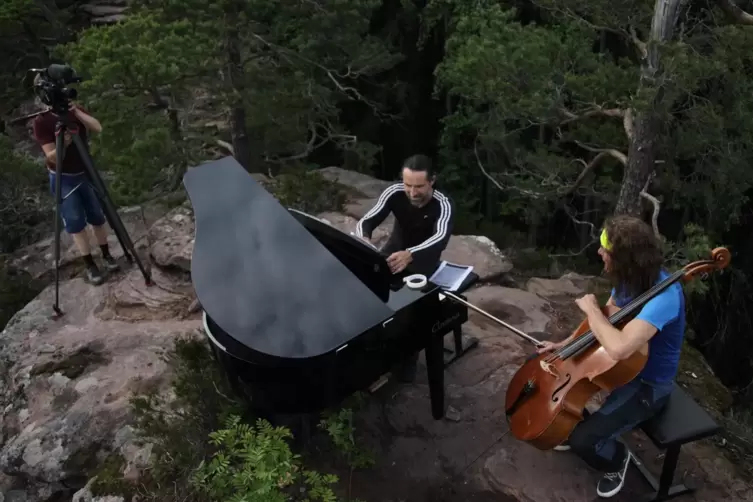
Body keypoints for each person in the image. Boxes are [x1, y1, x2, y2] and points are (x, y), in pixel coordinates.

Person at [537, 215, 684, 498]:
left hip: (648, 385)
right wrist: (565, 344)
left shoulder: (664, 299)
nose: (599, 252)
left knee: (583, 441)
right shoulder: (629, 280)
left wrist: (590, 309)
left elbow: (619, 348)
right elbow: (604, 325)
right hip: (622, 369)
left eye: (606, 250)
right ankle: (594, 426)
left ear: (626, 258)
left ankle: (617, 461)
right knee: (566, 401)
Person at [354, 154, 454, 382]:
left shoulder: (444, 203)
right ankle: (370, 349)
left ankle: (407, 360)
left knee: (410, 310)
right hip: (392, 252)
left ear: (432, 181)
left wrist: (411, 254)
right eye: (408, 185)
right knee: (366, 291)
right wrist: (364, 239)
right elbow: (366, 221)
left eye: (419, 186)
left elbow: (441, 237)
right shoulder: (394, 192)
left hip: (423, 261)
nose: (412, 193)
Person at [32, 99, 119, 285]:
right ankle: (90, 265)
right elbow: (50, 158)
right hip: (63, 177)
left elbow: (97, 127)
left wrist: (76, 113)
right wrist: (61, 144)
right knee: (75, 221)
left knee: (97, 216)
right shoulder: (42, 121)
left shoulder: (74, 109)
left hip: (85, 171)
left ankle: (107, 255)